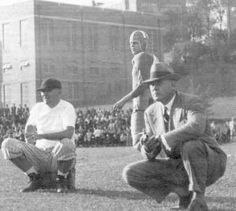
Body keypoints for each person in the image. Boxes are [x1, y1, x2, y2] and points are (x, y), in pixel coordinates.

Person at [122, 63, 227, 211]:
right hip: (177, 164)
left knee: (191, 145)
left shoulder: (191, 101)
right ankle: (183, 193)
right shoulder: (150, 112)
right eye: (151, 84)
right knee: (130, 173)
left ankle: (199, 198)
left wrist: (163, 138)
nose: (154, 87)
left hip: (209, 161)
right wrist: (147, 148)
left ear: (172, 83)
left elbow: (196, 126)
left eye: (158, 82)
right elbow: (152, 150)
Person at [1, 78, 77, 193]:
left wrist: (42, 136)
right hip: (39, 153)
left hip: (58, 155)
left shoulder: (67, 107)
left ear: (59, 92)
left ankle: (61, 180)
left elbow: (69, 133)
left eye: (48, 90)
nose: (44, 94)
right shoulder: (38, 107)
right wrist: (29, 143)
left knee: (67, 143)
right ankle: (34, 178)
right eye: (42, 91)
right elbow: (29, 128)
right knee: (7, 144)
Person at [113, 30, 158, 148]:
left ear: (143, 44)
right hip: (147, 105)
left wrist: (123, 100)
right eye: (131, 43)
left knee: (139, 142)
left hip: (142, 106)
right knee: (147, 142)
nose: (132, 46)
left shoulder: (141, 57)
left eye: (135, 43)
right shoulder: (146, 58)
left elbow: (143, 84)